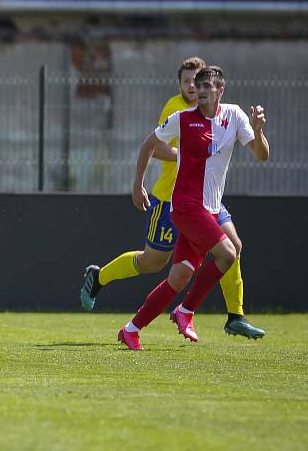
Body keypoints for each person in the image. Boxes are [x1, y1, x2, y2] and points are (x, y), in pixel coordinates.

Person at [80, 57, 265, 340]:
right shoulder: (177, 111)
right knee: (153, 262)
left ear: (216, 87)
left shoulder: (228, 114)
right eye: (189, 82)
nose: (195, 87)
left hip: (209, 202)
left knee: (230, 248)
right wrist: (183, 156)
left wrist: (255, 130)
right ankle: (100, 277)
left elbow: (260, 152)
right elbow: (154, 146)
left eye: (200, 82)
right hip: (172, 199)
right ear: (180, 84)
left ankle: (234, 315)